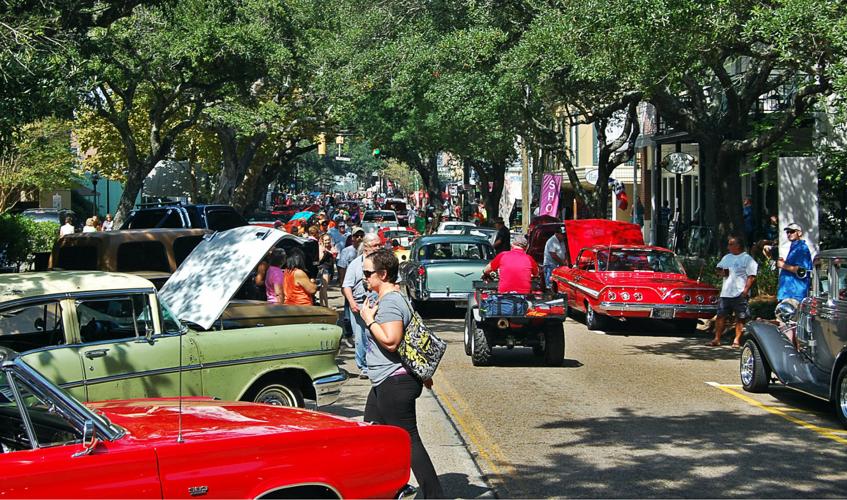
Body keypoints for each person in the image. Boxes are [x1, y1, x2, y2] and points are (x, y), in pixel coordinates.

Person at [357, 249, 444, 499]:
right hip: (387, 380)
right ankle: (385, 487)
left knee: (408, 440)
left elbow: (392, 341)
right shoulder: (394, 298)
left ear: (382, 274)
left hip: (394, 381)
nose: (364, 278)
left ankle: (434, 495)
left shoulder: (391, 302)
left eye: (367, 273)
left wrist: (369, 320)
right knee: (373, 436)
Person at [342, 233, 382, 378]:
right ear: (366, 247)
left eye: (379, 244)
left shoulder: (383, 262)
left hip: (378, 303)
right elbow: (346, 286)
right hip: (360, 304)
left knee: (377, 334)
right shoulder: (355, 264)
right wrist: (352, 303)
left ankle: (377, 364)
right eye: (375, 245)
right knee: (361, 337)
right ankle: (364, 366)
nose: (379, 248)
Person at [709, 236, 758, 347]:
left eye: (731, 244)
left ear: (738, 245)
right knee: (720, 316)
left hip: (739, 293)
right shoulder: (727, 257)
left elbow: (752, 276)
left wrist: (745, 291)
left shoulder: (747, 259)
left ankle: (736, 340)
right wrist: (720, 271)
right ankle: (717, 338)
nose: (728, 246)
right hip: (726, 292)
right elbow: (718, 269)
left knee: (740, 317)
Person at [776, 223, 812, 302]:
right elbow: (793, 266)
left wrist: (783, 265)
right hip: (787, 292)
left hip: (795, 293)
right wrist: (785, 263)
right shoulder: (794, 247)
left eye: (792, 231)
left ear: (799, 233)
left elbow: (801, 271)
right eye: (787, 232)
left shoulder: (801, 248)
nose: (789, 234)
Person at [317, 234, 338, 307]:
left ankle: (321, 304)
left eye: (328, 239)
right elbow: (320, 259)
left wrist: (334, 254)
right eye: (326, 240)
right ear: (322, 241)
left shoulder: (332, 247)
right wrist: (325, 252)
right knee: (324, 288)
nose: (327, 241)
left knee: (323, 287)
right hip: (324, 268)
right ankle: (326, 305)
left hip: (330, 268)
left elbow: (334, 259)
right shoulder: (321, 248)